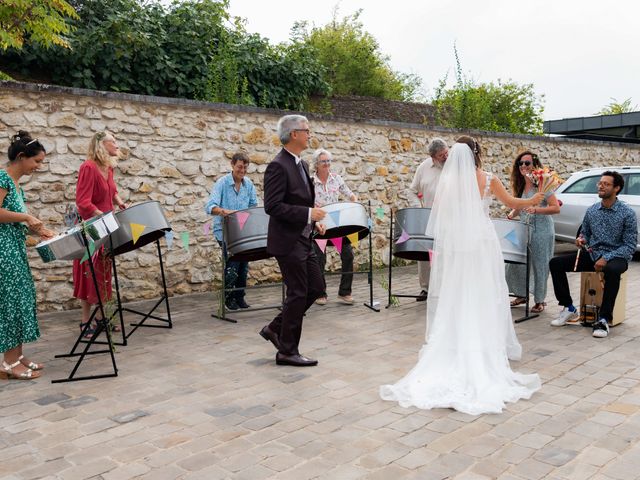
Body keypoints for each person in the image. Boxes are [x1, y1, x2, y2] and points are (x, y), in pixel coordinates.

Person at [380, 136, 544, 415]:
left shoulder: (448, 182)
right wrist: (536, 198)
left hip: (457, 245)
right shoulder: (487, 178)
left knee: (456, 294)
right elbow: (511, 201)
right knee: (482, 294)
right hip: (480, 243)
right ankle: (479, 348)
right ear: (477, 153)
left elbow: (440, 215)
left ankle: (455, 345)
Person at [259, 115, 327, 367]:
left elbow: (301, 201)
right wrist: (309, 214)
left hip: (304, 237)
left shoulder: (302, 164)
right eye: (306, 130)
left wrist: (312, 220)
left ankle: (275, 329)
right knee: (298, 292)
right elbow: (272, 206)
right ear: (294, 134)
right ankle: (287, 351)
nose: (310, 134)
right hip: (287, 242)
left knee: (316, 289)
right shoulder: (278, 165)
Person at [549, 171, 637, 338]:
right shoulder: (592, 210)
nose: (601, 186)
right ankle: (568, 307)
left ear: (616, 188)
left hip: (617, 257)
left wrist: (607, 258)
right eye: (600, 183)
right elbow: (585, 233)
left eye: (606, 184)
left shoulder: (627, 213)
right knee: (555, 263)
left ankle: (603, 319)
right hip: (592, 254)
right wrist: (581, 239)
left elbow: (630, 245)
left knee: (612, 270)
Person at [1, 131, 55, 380]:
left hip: (14, 247)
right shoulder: (2, 178)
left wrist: (41, 230)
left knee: (21, 298)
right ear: (22, 157)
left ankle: (18, 356)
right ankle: (8, 363)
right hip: (4, 251)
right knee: (11, 302)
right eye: (37, 161)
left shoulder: (15, 185)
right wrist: (25, 217)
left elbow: (16, 218)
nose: (38, 167)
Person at [72, 131, 127, 337]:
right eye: (113, 141)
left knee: (104, 273)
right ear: (100, 145)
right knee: (89, 274)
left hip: (106, 226)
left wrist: (119, 202)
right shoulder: (88, 167)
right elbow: (83, 201)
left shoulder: (108, 167)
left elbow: (111, 191)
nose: (117, 144)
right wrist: (101, 215)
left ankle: (101, 318)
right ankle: (85, 321)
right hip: (92, 228)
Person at [505, 152, 560, 313]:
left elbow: (555, 208)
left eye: (527, 163)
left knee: (540, 265)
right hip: (523, 229)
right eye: (520, 163)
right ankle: (521, 294)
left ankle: (540, 300)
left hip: (542, 230)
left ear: (535, 165)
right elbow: (520, 205)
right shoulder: (520, 184)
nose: (523, 166)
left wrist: (536, 210)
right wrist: (511, 215)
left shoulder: (543, 184)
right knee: (514, 264)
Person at [205, 152, 258, 310]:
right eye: (239, 167)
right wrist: (225, 212)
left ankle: (240, 297)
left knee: (243, 266)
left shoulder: (248, 184)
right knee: (233, 265)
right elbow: (210, 207)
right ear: (232, 165)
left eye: (245, 168)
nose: (242, 171)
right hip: (225, 231)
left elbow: (253, 205)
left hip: (242, 231)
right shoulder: (222, 183)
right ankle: (228, 299)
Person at [311, 148, 357, 305]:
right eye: (323, 161)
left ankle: (345, 292)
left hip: (338, 224)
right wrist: (314, 222)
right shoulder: (310, 182)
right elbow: (307, 203)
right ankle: (320, 293)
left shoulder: (336, 178)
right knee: (318, 258)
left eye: (328, 161)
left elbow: (349, 193)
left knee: (348, 254)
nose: (326, 164)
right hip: (320, 225)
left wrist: (353, 199)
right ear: (316, 164)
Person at [408, 138, 449, 301]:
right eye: (441, 155)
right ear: (433, 157)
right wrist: (418, 209)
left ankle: (445, 287)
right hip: (427, 216)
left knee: (447, 253)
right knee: (425, 254)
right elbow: (411, 191)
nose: (446, 157)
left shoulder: (455, 165)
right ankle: (425, 288)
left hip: (449, 217)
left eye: (446, 152)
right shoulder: (423, 167)